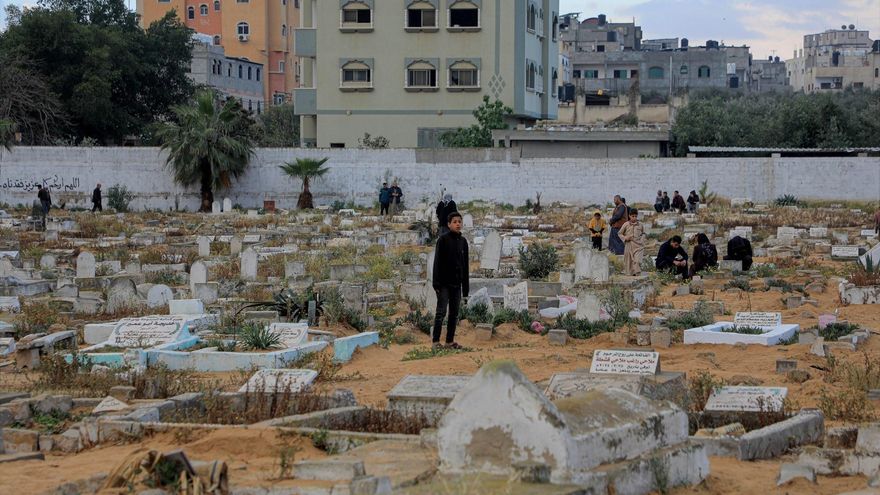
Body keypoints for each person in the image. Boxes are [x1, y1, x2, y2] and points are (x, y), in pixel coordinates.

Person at [431, 211, 469, 350]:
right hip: (444, 284)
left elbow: (465, 266)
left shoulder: (463, 242)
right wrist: (436, 284)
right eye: (454, 222)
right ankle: (436, 342)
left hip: (457, 284)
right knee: (441, 312)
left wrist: (465, 288)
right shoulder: (443, 240)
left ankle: (449, 342)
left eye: (459, 221)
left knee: (454, 313)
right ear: (448, 224)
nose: (458, 224)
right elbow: (437, 262)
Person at [619, 208, 646, 276]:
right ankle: (631, 274)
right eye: (632, 216)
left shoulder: (640, 224)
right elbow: (619, 233)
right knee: (629, 261)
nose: (634, 218)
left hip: (638, 245)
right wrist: (625, 238)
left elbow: (644, 233)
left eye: (635, 216)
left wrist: (642, 240)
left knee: (637, 260)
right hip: (629, 244)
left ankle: (637, 273)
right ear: (629, 216)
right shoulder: (626, 224)